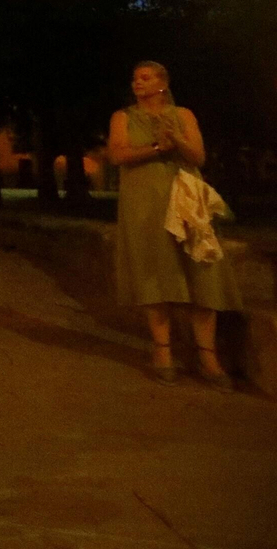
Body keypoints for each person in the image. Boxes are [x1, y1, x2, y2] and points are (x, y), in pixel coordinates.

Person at [108, 61, 241, 390]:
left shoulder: (184, 115)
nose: (137, 83)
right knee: (155, 274)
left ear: (162, 83)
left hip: (184, 201)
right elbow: (117, 155)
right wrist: (156, 148)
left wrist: (177, 140)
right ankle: (163, 352)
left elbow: (198, 156)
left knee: (201, 272)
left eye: (145, 77)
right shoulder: (122, 117)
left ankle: (208, 357)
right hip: (144, 203)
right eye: (135, 78)